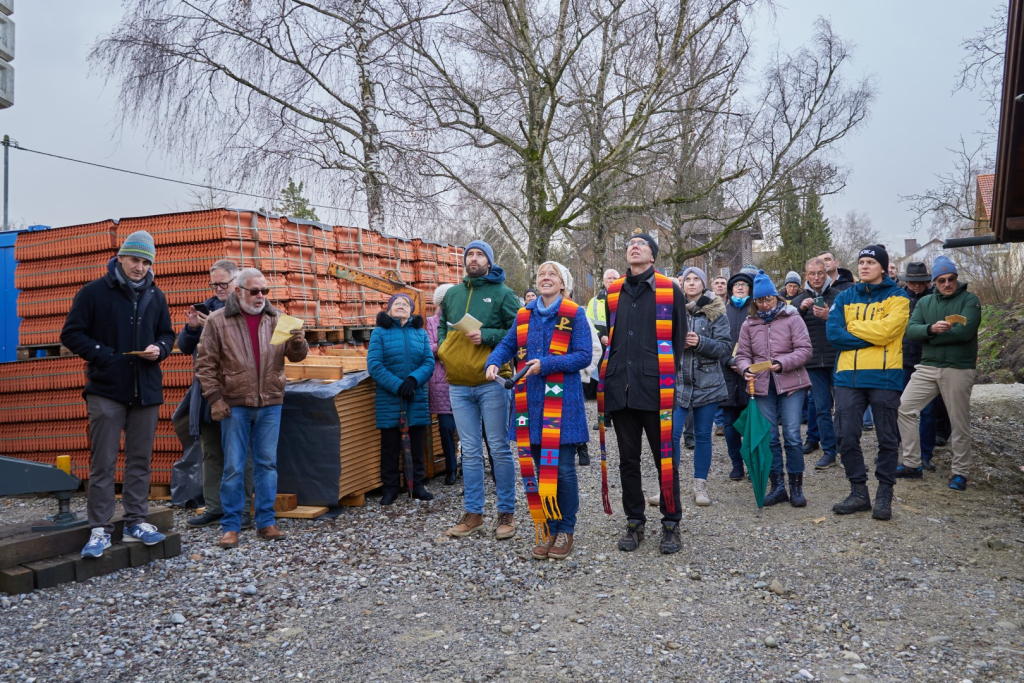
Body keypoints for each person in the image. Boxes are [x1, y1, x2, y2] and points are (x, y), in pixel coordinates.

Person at [61, 231, 175, 558]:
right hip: (106, 390)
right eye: (135, 260)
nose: (140, 267)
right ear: (120, 258)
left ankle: (136, 521)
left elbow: (167, 334)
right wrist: (105, 355)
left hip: (146, 391)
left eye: (146, 262)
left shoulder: (156, 295)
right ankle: (100, 528)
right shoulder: (94, 292)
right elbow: (71, 333)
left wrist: (160, 348)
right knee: (104, 462)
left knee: (140, 460)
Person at [195, 267, 309, 549]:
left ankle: (266, 522)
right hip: (235, 404)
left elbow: (295, 357)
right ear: (239, 292)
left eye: (265, 291)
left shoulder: (277, 319)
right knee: (233, 467)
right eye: (255, 291)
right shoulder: (218, 320)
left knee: (267, 464)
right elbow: (205, 364)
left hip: (270, 402)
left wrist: (298, 342)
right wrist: (215, 399)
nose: (261, 296)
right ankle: (231, 525)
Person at [486, 261, 591, 560]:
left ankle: (566, 529)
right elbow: (507, 345)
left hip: (563, 405)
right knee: (539, 468)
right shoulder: (524, 315)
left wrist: (546, 364)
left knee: (562, 470)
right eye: (541, 274)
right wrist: (493, 362)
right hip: (529, 404)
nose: (545, 278)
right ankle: (549, 527)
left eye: (552, 274)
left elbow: (584, 356)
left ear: (563, 283)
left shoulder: (574, 313)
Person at [600, 233, 688, 554]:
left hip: (655, 389)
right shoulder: (613, 292)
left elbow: (678, 341)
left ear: (653, 256)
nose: (633, 246)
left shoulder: (669, 290)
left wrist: (661, 376)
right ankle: (634, 521)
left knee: (665, 459)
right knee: (628, 461)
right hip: (621, 389)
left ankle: (671, 523)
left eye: (641, 244)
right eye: (629, 244)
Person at [439, 240, 521, 540]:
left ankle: (506, 513)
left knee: (498, 448)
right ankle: (473, 514)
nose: (473, 259)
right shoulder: (453, 294)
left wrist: (487, 334)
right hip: (458, 385)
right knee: (470, 451)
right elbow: (442, 326)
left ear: (489, 261)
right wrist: (444, 349)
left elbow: (519, 330)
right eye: (470, 254)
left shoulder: (503, 293)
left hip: (492, 382)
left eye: (480, 255)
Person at [826, 245, 910, 521]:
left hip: (885, 376)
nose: (864, 266)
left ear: (883, 267)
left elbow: (889, 331)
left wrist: (852, 327)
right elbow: (833, 334)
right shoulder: (845, 296)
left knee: (887, 437)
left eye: (870, 262)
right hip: (847, 377)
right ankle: (859, 491)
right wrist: (873, 338)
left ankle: (885, 492)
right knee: (845, 434)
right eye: (861, 262)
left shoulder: (898, 297)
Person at [180, 260, 255, 530]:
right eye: (214, 284)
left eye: (223, 283)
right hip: (206, 394)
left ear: (237, 281)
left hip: (236, 392)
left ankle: (243, 509)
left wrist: (214, 324)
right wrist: (192, 328)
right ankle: (214, 507)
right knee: (211, 453)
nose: (218, 289)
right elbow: (185, 347)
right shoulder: (206, 308)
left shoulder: (247, 309)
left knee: (239, 454)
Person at [896, 256, 981, 490]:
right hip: (928, 366)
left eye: (951, 279)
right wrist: (931, 329)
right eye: (941, 280)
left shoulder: (969, 300)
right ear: (934, 282)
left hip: (958, 367)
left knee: (958, 421)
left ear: (956, 278)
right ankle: (912, 463)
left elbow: (965, 333)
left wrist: (930, 336)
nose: (947, 283)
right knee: (904, 408)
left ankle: (960, 472)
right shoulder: (925, 302)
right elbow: (911, 331)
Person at [735, 271, 813, 507]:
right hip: (761, 386)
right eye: (760, 300)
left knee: (792, 435)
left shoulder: (792, 317)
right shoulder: (749, 324)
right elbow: (742, 355)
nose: (764, 304)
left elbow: (805, 350)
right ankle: (777, 486)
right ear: (754, 301)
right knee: (768, 437)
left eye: (768, 299)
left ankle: (796, 486)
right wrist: (745, 369)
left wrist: (781, 363)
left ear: (776, 297)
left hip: (791, 384)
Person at [368, 293, 436, 504]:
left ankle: (417, 485)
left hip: (415, 395)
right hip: (389, 397)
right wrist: (398, 386)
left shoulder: (420, 333)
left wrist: (413, 380)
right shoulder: (379, 333)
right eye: (396, 303)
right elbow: (375, 365)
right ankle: (390, 488)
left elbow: (428, 362)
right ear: (389, 309)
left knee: (416, 444)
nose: (400, 306)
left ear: (411, 311)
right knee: (390, 445)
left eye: (405, 304)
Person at [672, 267, 731, 507]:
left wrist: (699, 342)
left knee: (703, 435)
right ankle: (669, 485)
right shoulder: (672, 308)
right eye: (688, 279)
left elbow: (725, 348)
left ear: (704, 284)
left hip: (708, 383)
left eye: (696, 279)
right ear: (682, 284)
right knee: (670, 435)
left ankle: (700, 485)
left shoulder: (716, 310)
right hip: (677, 383)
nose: (692, 283)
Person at [791, 257, 841, 469]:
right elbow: (789, 330)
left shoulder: (839, 296)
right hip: (812, 363)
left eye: (820, 273)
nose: (817, 277)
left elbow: (850, 324)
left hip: (838, 358)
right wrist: (801, 311)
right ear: (806, 276)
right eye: (812, 274)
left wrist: (830, 316)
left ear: (826, 273)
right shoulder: (797, 301)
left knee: (844, 408)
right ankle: (829, 451)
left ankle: (846, 449)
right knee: (821, 408)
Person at [895, 262, 937, 471]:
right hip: (902, 360)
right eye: (913, 282)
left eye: (921, 282)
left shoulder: (935, 299)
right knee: (898, 408)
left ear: (927, 281)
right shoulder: (898, 298)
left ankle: (925, 454)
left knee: (928, 411)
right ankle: (896, 449)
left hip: (927, 361)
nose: (917, 286)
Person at [720, 270, 755, 480]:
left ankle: (752, 463)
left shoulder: (756, 310)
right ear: (731, 289)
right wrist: (729, 360)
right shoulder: (722, 311)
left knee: (751, 423)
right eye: (736, 284)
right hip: (728, 374)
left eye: (744, 284)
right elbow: (717, 340)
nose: (740, 287)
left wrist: (746, 364)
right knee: (730, 423)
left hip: (751, 373)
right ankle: (736, 464)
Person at [426, 284, 459, 485]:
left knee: (469, 429)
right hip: (441, 382)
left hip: (464, 379)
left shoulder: (464, 320)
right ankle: (451, 468)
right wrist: (450, 345)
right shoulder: (431, 322)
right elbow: (428, 348)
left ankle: (472, 466)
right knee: (446, 428)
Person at [585, 269, 619, 404]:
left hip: (619, 344)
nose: (612, 281)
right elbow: (588, 324)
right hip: (601, 345)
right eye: (609, 278)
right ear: (604, 281)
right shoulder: (593, 301)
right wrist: (600, 337)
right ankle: (603, 408)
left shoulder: (626, 299)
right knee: (601, 377)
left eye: (614, 278)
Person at [710, 276, 729, 435]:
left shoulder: (732, 304)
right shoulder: (708, 305)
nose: (720, 286)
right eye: (717, 283)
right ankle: (719, 423)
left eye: (723, 283)